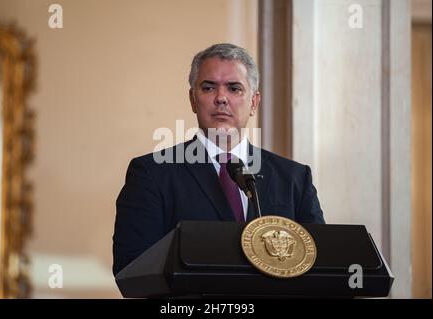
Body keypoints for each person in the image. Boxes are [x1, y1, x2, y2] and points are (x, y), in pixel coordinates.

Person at [113, 43, 325, 276]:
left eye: (234, 88)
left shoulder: (294, 178)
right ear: (193, 99)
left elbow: (321, 265)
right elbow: (131, 270)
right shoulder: (151, 174)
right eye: (208, 88)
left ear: (254, 103)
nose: (221, 98)